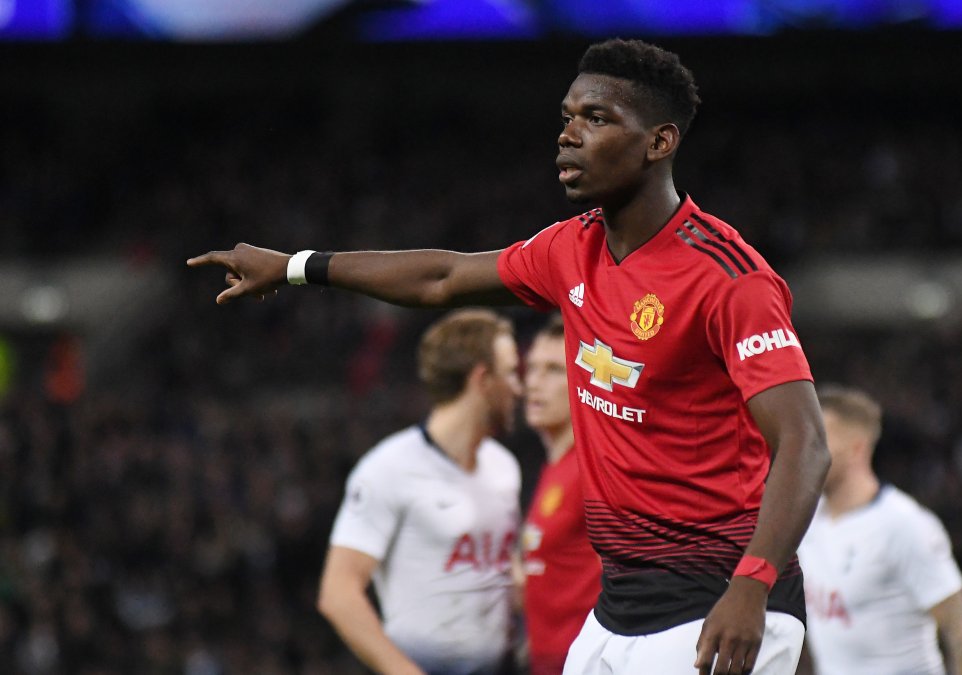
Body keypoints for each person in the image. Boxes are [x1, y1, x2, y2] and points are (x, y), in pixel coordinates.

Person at [189, 38, 830, 675]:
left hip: (718, 605)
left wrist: (752, 585)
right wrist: (297, 267)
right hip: (616, 615)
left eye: (597, 119)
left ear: (659, 142)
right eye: (567, 118)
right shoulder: (570, 249)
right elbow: (442, 277)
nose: (568, 136)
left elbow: (804, 441)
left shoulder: (728, 278)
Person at [316, 309, 523, 675]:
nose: (519, 388)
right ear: (482, 379)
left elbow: (503, 572)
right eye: (510, 374)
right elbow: (338, 593)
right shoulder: (389, 468)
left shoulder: (504, 467)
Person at [797, 385, 962, 675]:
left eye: (821, 438)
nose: (807, 449)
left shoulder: (903, 525)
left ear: (857, 449)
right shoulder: (805, 519)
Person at [517, 314, 601, 675]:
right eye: (531, 368)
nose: (534, 383)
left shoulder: (593, 470)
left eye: (552, 370)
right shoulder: (555, 468)